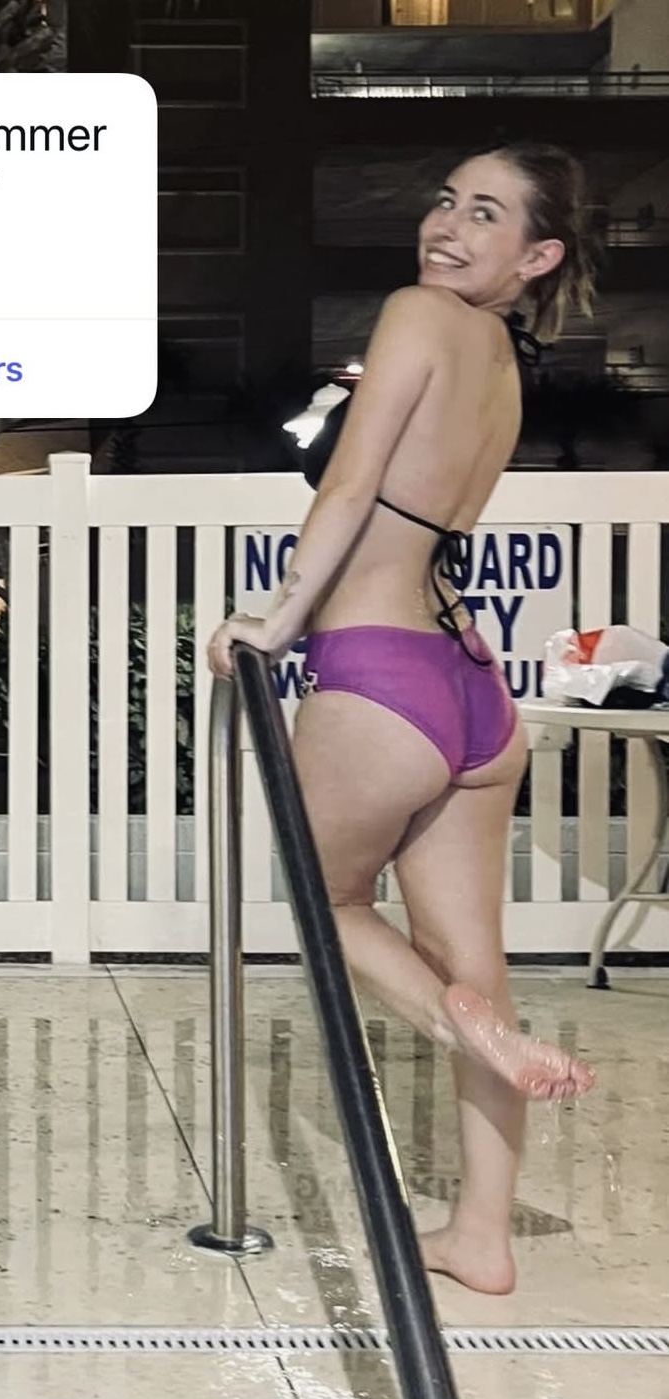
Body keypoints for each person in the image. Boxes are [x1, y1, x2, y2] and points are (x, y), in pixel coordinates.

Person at [207, 143, 597, 1295]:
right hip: (469, 684)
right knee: (477, 955)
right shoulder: (506, 364)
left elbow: (350, 485)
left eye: (485, 215)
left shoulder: (417, 317)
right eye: (445, 202)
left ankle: (463, 1025)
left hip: (380, 673)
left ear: (537, 255)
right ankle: (483, 1235)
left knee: (327, 901)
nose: (447, 226)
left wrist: (275, 621)